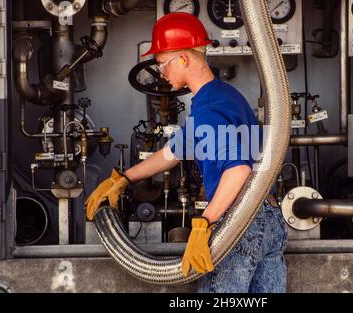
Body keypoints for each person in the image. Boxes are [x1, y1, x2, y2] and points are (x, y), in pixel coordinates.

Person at [84, 12, 288, 293]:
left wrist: (206, 222)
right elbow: (175, 152)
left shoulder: (208, 111)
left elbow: (238, 170)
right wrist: (122, 179)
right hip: (268, 216)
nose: (161, 73)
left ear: (183, 59)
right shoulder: (225, 96)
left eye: (162, 64)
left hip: (240, 223)